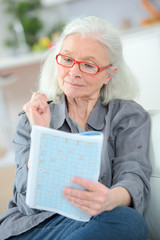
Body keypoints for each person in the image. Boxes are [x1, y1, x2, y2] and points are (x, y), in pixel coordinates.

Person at [0, 16, 151, 240]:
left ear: (109, 74)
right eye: (67, 59)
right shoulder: (31, 119)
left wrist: (110, 198)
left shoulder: (127, 116)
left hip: (95, 220)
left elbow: (133, 174)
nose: (74, 72)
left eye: (89, 65)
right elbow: (26, 204)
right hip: (33, 227)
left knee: (128, 221)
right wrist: (41, 135)